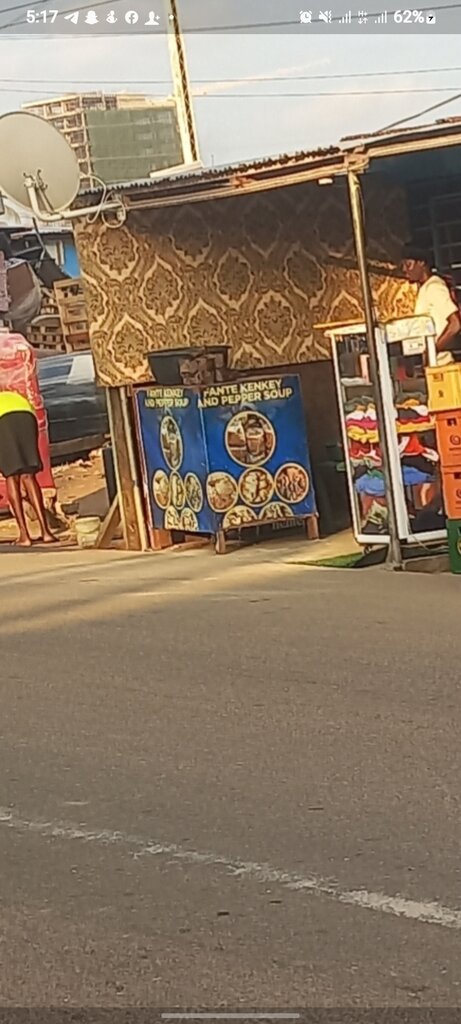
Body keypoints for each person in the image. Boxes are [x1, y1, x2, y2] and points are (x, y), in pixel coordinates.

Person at [0, 389, 55, 546]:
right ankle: (46, 532)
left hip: (3, 420)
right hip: (26, 416)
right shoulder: (10, 394)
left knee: (11, 475)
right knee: (28, 474)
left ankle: (24, 536)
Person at [401, 244, 461, 364]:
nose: (404, 270)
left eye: (408, 265)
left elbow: (455, 325)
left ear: (422, 263)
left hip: (441, 363)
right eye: (403, 266)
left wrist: (433, 351)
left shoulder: (434, 287)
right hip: (433, 364)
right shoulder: (425, 288)